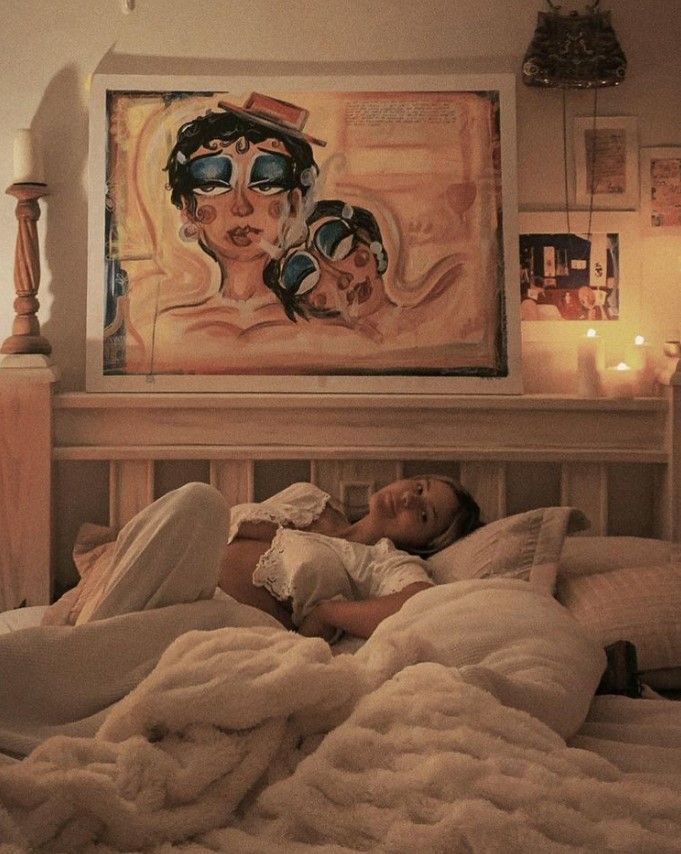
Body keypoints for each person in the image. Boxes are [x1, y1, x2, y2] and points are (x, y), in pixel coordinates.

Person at [66, 476, 483, 644]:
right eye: (420, 487)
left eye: (424, 515)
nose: (409, 499)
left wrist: (328, 613)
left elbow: (414, 603)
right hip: (171, 585)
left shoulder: (384, 562)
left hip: (229, 625)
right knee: (199, 501)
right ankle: (87, 638)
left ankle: (83, 647)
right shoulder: (310, 499)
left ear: (426, 543)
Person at [164, 92, 324, 312]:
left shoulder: (321, 326)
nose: (241, 207)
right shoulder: (174, 322)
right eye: (212, 185)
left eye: (266, 184)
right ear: (188, 209)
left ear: (294, 205)